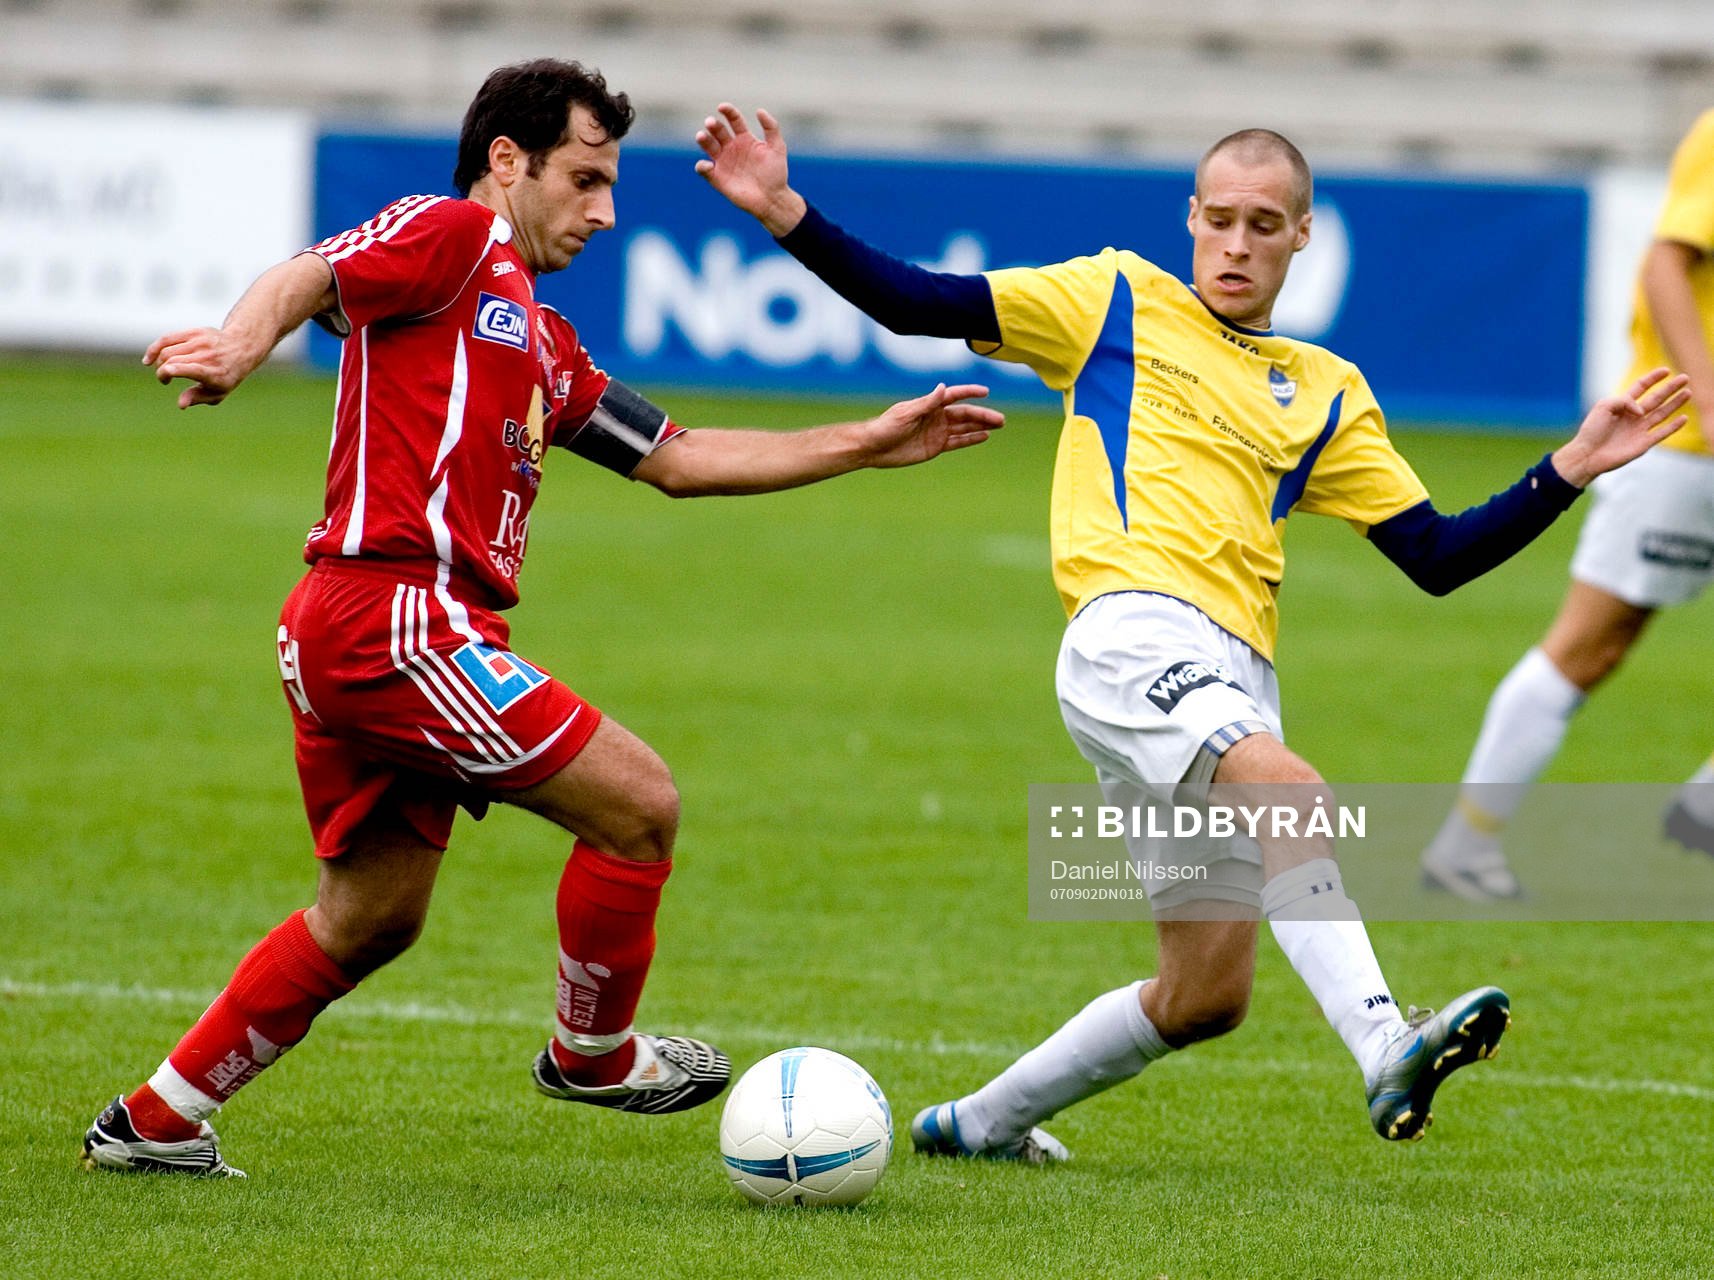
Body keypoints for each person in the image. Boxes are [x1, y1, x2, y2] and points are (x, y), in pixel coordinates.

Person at [694, 105, 1691, 1159]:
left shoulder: (1326, 392)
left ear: (1301, 234)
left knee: (1205, 994)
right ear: (1191, 217)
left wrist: (1566, 469)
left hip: (1233, 675)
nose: (1236, 244)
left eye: (1263, 225)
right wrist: (784, 211)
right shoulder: (1114, 297)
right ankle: (1384, 1042)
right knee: (1290, 790)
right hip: (1130, 637)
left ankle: (976, 1124)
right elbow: (915, 300)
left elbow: (1436, 555)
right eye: (1219, 219)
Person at [80, 60, 1003, 1179]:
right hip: (395, 616)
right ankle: (592, 1054)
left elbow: (678, 458)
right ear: (508, 160)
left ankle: (157, 1120)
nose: (605, 213)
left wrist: (864, 442)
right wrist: (240, 343)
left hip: (372, 629)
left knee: (371, 916)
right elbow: (311, 273)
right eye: (585, 179)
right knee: (639, 803)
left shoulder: (542, 342)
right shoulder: (453, 235)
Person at [1422, 108, 1714, 900]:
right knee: (1593, 644)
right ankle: (1464, 845)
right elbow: (1664, 264)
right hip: (1685, 447)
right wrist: (1706, 396)